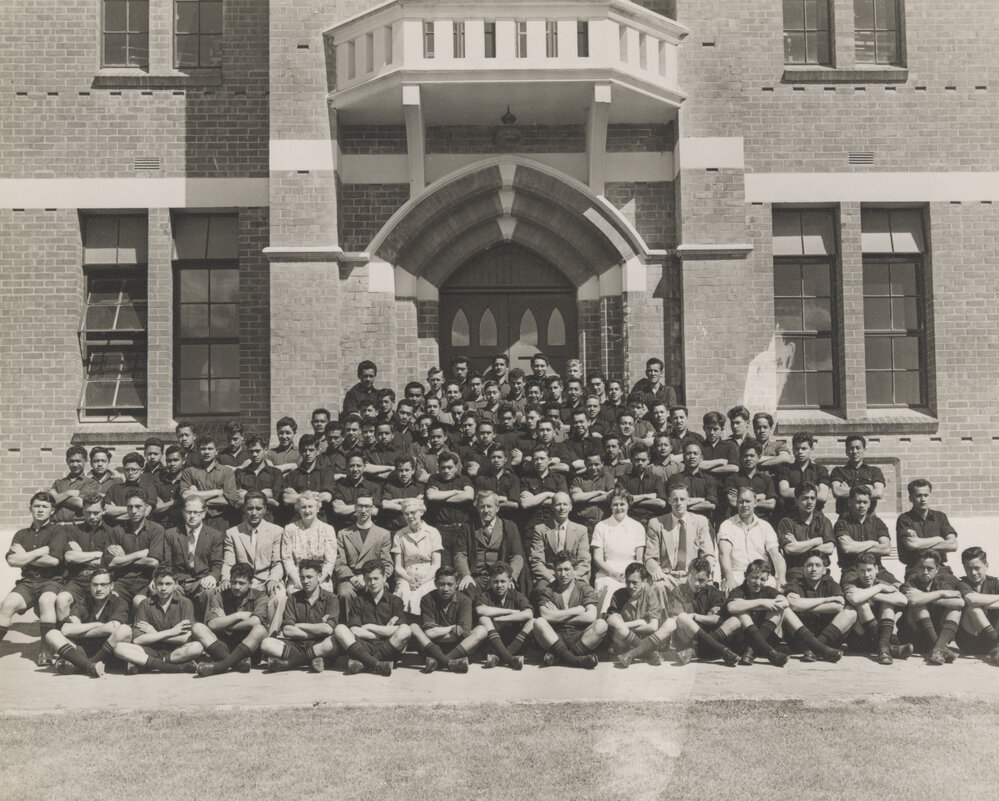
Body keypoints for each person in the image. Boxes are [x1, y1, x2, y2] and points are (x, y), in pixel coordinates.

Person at [1, 492, 66, 665]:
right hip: (28, 582)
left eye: (44, 507)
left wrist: (25, 556)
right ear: (30, 509)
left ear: (52, 511)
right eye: (36, 506)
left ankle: (45, 650)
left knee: (46, 601)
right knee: (7, 604)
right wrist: (40, 551)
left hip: (52, 580)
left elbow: (53, 561)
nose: (40, 510)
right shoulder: (22, 534)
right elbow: (12, 560)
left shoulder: (58, 530)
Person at [114, 566, 203, 674]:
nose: (163, 588)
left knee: (197, 647)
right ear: (154, 584)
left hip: (175, 651)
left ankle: (150, 664)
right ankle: (175, 668)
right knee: (119, 648)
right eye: (160, 583)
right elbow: (138, 640)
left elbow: (186, 638)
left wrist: (156, 634)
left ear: (176, 585)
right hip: (150, 650)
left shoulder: (185, 603)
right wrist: (171, 632)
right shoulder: (145, 604)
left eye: (168, 584)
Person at [46, 568, 131, 677]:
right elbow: (65, 629)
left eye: (103, 585)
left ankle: (83, 664)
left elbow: (113, 628)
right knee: (51, 634)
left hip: (109, 651)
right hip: (85, 649)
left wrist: (79, 629)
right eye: (95, 585)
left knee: (125, 630)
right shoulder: (83, 603)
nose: (99, 589)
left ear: (111, 586)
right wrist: (97, 625)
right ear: (90, 586)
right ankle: (90, 667)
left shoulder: (119, 603)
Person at [260, 559, 340, 673]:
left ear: (319, 576)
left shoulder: (331, 598)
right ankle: (314, 660)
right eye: (302, 577)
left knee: (333, 643)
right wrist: (317, 629)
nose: (305, 581)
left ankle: (289, 663)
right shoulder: (293, 598)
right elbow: (287, 630)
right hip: (297, 645)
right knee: (266, 644)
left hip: (320, 644)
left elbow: (328, 629)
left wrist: (299, 625)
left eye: (309, 577)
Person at [222, 491, 286, 634]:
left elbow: (278, 562)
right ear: (244, 509)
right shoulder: (232, 533)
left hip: (266, 579)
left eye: (258, 509)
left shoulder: (277, 531)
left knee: (280, 596)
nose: (254, 513)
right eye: (250, 508)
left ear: (265, 509)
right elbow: (228, 562)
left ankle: (272, 636)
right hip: (244, 580)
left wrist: (273, 579)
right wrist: (226, 578)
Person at [531, 550, 607, 669]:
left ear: (575, 569)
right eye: (559, 570)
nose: (563, 574)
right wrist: (575, 610)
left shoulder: (585, 588)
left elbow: (591, 616)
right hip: (555, 636)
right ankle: (575, 660)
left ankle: (561, 657)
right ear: (554, 571)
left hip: (579, 636)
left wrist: (557, 616)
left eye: (567, 569)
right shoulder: (548, 590)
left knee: (601, 624)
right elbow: (545, 616)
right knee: (538, 623)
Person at [334, 560, 410, 676]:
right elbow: (354, 630)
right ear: (364, 580)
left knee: (406, 629)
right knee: (339, 628)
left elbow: (399, 629)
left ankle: (364, 663)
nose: (372, 583)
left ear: (384, 578)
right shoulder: (358, 601)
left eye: (376, 578)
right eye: (368, 579)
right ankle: (377, 665)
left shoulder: (395, 601)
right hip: (363, 646)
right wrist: (383, 632)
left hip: (387, 646)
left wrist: (369, 627)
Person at [192, 563, 269, 676]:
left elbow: (255, 621)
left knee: (260, 630)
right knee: (197, 627)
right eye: (234, 582)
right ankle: (237, 663)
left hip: (248, 649)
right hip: (223, 648)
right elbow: (212, 624)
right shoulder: (220, 596)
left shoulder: (261, 596)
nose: (236, 586)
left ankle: (219, 667)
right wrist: (237, 616)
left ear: (250, 584)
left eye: (242, 583)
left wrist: (226, 622)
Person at [665, 556, 741, 666]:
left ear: (708, 578)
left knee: (735, 621)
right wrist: (703, 619)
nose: (697, 584)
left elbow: (718, 619)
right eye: (693, 579)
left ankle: (694, 652)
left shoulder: (714, 593)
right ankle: (720, 650)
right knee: (682, 617)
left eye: (701, 580)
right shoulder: (678, 591)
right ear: (688, 575)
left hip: (710, 639)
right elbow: (678, 619)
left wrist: (696, 616)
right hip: (688, 640)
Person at [410, 567, 487, 673]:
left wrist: (439, 631)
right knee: (413, 627)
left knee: (481, 630)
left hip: (457, 647)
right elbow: (429, 632)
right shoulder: (427, 599)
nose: (446, 589)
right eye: (442, 584)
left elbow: (464, 632)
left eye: (450, 584)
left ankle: (440, 661)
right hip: (433, 646)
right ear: (435, 583)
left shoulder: (465, 600)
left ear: (457, 584)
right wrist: (452, 628)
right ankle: (450, 663)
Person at [782, 550, 851, 662]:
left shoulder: (831, 584)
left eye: (818, 565)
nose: (813, 569)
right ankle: (818, 648)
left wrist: (804, 605)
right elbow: (793, 605)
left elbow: (838, 606)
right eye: (809, 565)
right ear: (803, 569)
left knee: (850, 612)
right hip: (800, 641)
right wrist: (827, 600)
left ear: (824, 570)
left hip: (828, 639)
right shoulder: (795, 583)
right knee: (785, 609)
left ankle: (814, 648)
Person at [842, 552, 911, 665]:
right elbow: (855, 599)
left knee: (888, 604)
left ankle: (883, 648)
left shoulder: (882, 583)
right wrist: (880, 588)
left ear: (876, 569)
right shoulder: (852, 583)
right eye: (862, 571)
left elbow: (903, 600)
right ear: (857, 571)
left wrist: (876, 594)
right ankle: (888, 648)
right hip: (858, 639)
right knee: (862, 604)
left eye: (869, 570)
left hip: (877, 636)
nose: (866, 574)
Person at [163, 495, 225, 619]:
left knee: (209, 592)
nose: (192, 516)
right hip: (178, 581)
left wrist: (213, 576)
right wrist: (173, 582)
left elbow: (217, 563)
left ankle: (209, 627)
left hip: (201, 581)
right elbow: (167, 563)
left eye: (196, 512)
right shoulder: (171, 534)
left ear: (203, 513)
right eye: (188, 512)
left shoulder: (215, 535)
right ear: (183, 512)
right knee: (168, 591)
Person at [645, 484, 716, 593]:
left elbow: (707, 554)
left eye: (682, 499)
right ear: (669, 500)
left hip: (692, 577)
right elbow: (650, 558)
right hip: (667, 577)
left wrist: (702, 574)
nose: (678, 503)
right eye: (675, 499)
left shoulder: (700, 522)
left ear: (688, 500)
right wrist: (658, 572)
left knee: (709, 590)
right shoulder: (656, 523)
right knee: (658, 587)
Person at [900, 549, 965, 665]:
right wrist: (941, 594)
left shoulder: (942, 585)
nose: (925, 572)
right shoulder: (909, 584)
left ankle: (937, 649)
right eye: (921, 567)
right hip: (914, 637)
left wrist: (926, 596)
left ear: (937, 570)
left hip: (939, 634)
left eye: (930, 569)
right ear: (915, 568)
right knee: (919, 606)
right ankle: (940, 649)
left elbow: (960, 603)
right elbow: (913, 601)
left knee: (955, 610)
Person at [455, 491, 525, 596]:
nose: (486, 510)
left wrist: (510, 577)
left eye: (489, 506)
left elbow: (517, 556)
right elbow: (460, 554)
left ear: (497, 508)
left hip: (499, 578)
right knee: (465, 591)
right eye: (482, 506)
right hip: (475, 577)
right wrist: (466, 575)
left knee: (508, 594)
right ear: (477, 508)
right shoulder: (467, 527)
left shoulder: (509, 526)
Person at [55, 492, 113, 620]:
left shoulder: (112, 532)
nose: (92, 516)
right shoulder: (73, 530)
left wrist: (81, 556)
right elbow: (70, 557)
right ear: (82, 511)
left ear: (104, 511)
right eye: (87, 512)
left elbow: (110, 562)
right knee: (61, 599)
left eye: (96, 513)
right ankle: (64, 637)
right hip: (78, 580)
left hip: (102, 581)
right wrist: (98, 555)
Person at [105, 488, 165, 610]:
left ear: (147, 508)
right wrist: (138, 555)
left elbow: (153, 562)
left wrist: (123, 558)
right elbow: (110, 562)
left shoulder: (156, 530)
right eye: (130, 507)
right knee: (113, 601)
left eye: (138, 506)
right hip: (122, 581)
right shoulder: (117, 530)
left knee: (140, 603)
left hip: (145, 580)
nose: (133, 511)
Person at [718, 486, 786, 592]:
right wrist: (729, 577)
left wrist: (781, 578)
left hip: (762, 575)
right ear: (736, 503)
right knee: (729, 591)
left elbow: (776, 555)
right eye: (740, 501)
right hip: (737, 574)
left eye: (747, 501)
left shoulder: (765, 526)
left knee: (779, 592)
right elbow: (724, 554)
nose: (744, 505)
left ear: (755, 503)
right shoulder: (727, 525)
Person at [722, 559, 790, 667]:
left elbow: (785, 603)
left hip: (763, 636)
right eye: (754, 578)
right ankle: (769, 652)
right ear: (746, 575)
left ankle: (751, 650)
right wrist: (762, 603)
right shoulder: (738, 591)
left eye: (763, 579)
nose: (758, 583)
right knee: (742, 613)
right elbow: (731, 607)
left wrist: (758, 605)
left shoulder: (768, 590)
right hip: (741, 640)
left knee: (779, 610)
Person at [591, 489, 646, 612]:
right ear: (610, 506)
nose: (619, 507)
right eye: (615, 504)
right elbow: (597, 558)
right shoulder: (601, 526)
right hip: (607, 571)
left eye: (622, 504)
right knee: (611, 587)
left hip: (632, 571)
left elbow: (639, 559)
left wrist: (632, 575)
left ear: (628, 505)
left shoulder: (638, 527)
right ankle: (606, 623)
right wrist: (613, 574)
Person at [895, 479, 958, 579]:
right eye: (919, 496)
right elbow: (912, 544)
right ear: (911, 498)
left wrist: (919, 545)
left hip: (939, 568)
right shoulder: (904, 519)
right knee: (914, 593)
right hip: (915, 569)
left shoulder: (940, 517)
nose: (923, 499)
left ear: (930, 496)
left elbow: (953, 545)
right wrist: (939, 539)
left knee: (954, 591)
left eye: (926, 495)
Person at [475, 562, 534, 670]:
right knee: (483, 619)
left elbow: (529, 613)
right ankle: (510, 659)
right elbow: (480, 610)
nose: (499, 585)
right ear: (490, 581)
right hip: (493, 643)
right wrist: (511, 612)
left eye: (503, 581)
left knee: (533, 622)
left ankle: (500, 658)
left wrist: (500, 618)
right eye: (495, 582)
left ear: (510, 581)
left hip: (515, 642)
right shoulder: (485, 595)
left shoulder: (516, 595)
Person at [834, 485, 894, 590]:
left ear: (869, 503)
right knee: (856, 596)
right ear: (849, 502)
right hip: (852, 570)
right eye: (858, 502)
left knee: (899, 589)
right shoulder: (842, 523)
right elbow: (847, 548)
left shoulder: (877, 523)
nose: (862, 505)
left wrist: (856, 546)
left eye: (865, 502)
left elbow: (886, 549)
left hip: (877, 569)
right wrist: (872, 543)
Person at [605, 562, 664, 668]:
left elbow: (653, 626)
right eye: (628, 582)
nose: (630, 586)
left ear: (644, 582)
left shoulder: (650, 594)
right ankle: (649, 652)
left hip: (645, 638)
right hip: (624, 643)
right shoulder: (618, 595)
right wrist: (640, 622)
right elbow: (612, 623)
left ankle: (634, 653)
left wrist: (624, 626)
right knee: (613, 620)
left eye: (635, 582)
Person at [334, 494, 393, 600]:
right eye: (360, 506)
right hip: (350, 578)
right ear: (355, 507)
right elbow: (339, 563)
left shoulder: (383, 534)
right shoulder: (343, 534)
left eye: (367, 506)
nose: (363, 510)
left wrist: (367, 578)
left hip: (373, 577)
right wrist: (352, 578)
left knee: (380, 588)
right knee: (345, 593)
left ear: (373, 508)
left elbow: (387, 564)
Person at [392, 498, 443, 614]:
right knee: (403, 593)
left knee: (420, 595)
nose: (410, 517)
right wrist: (410, 580)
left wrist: (424, 580)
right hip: (406, 577)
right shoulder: (399, 535)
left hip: (428, 576)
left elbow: (436, 564)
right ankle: (402, 624)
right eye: (406, 514)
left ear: (421, 512)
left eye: (413, 513)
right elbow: (398, 567)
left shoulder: (433, 532)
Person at [777, 481, 835, 584]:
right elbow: (790, 549)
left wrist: (799, 545)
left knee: (836, 596)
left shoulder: (823, 521)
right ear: (796, 500)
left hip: (820, 572)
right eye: (805, 498)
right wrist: (817, 541)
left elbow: (830, 548)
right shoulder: (787, 522)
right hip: (797, 573)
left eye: (812, 498)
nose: (809, 502)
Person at [531, 492, 590, 591]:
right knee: (541, 591)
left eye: (565, 504)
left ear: (570, 507)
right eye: (558, 504)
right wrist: (551, 578)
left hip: (573, 574)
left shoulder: (581, 530)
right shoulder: (540, 529)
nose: (562, 508)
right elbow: (536, 561)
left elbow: (584, 561)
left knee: (585, 592)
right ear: (552, 507)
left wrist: (571, 576)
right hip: (550, 574)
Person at [424, 451, 474, 567]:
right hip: (441, 530)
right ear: (438, 468)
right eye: (443, 468)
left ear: (456, 468)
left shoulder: (463, 479)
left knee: (462, 564)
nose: (446, 471)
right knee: (445, 566)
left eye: (449, 467)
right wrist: (456, 492)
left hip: (462, 529)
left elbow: (469, 495)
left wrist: (441, 497)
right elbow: (431, 496)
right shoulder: (434, 479)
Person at [179, 435, 240, 530]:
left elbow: (229, 500)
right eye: (203, 449)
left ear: (216, 451)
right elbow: (185, 496)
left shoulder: (227, 472)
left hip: (220, 521)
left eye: (210, 448)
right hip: (195, 520)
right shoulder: (190, 472)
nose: (206, 452)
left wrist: (195, 496)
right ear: (198, 451)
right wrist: (216, 492)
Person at [281, 491, 337, 591]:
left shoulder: (328, 529)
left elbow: (330, 561)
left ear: (318, 508)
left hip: (320, 578)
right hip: (297, 578)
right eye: (303, 507)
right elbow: (287, 559)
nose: (307, 511)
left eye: (310, 506)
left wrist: (318, 580)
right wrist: (297, 579)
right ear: (299, 509)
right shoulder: (290, 529)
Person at [955, 546, 999, 664]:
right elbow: (972, 600)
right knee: (973, 608)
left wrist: (983, 601)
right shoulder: (962, 583)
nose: (973, 573)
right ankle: (996, 647)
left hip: (991, 637)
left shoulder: (995, 583)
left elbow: (975, 599)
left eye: (977, 568)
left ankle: (996, 649)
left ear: (987, 566)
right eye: (968, 569)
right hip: (969, 641)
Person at [281, 434, 335, 524]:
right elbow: (287, 498)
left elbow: (327, 497)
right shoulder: (292, 475)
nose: (308, 454)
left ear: (317, 451)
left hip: (320, 518)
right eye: (304, 450)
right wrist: (314, 494)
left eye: (311, 450)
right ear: (300, 451)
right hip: (297, 518)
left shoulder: (326, 472)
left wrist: (298, 496)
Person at [775, 432, 830, 519]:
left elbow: (823, 496)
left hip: (815, 517)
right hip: (791, 516)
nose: (800, 452)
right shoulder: (785, 469)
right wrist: (813, 490)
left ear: (811, 449)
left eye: (804, 448)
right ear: (792, 449)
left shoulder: (821, 470)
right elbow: (784, 492)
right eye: (797, 448)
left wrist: (794, 491)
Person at [722, 440, 777, 522]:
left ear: (758, 458)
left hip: (761, 522)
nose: (748, 459)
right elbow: (733, 502)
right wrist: (760, 497)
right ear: (740, 458)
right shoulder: (732, 478)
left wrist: (742, 500)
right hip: (738, 523)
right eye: (745, 456)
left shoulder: (766, 479)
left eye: (752, 456)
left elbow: (771, 504)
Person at [830, 434, 885, 516]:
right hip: (846, 518)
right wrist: (867, 488)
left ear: (864, 450)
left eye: (858, 448)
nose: (855, 451)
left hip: (869, 518)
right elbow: (837, 492)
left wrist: (848, 490)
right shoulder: (838, 471)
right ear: (846, 451)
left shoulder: (874, 471)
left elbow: (878, 493)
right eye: (851, 448)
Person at [614, 444, 666, 526]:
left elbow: (661, 503)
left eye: (643, 460)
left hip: (651, 522)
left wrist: (631, 500)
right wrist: (647, 496)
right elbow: (620, 501)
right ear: (631, 460)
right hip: (629, 522)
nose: (640, 463)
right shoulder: (623, 479)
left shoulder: (656, 479)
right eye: (637, 460)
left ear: (648, 460)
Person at [234, 435, 284, 519]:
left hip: (269, 519)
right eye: (251, 451)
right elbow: (237, 504)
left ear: (265, 450)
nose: (254, 454)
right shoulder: (240, 473)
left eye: (257, 451)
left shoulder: (276, 473)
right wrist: (264, 495)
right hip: (246, 518)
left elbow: (276, 503)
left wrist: (246, 495)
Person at [103, 452, 161, 523]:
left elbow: (145, 513)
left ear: (141, 471)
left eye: (134, 470)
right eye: (127, 470)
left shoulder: (149, 488)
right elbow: (105, 509)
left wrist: (115, 514)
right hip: (118, 530)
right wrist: (136, 509)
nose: (130, 473)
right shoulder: (114, 489)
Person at [569, 449, 614, 536]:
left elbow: (609, 496)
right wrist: (599, 493)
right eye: (590, 465)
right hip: (582, 523)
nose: (593, 468)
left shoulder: (608, 478)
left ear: (602, 463)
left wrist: (584, 497)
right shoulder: (578, 479)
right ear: (585, 464)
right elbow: (575, 498)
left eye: (596, 464)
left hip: (603, 523)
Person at [50, 445, 98, 526]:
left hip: (78, 527)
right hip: (56, 527)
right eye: (72, 461)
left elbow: (81, 503)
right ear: (67, 461)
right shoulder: (58, 483)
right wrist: (67, 494)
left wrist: (58, 497)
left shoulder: (91, 483)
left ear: (85, 461)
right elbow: (50, 502)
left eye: (78, 461)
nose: (75, 464)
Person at [379, 456, 423, 533]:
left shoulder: (420, 488)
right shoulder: (389, 486)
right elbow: (385, 504)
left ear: (413, 471)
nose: (404, 474)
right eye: (400, 470)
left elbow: (420, 507)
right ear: (396, 471)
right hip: (393, 531)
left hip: (414, 531)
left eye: (407, 470)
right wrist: (409, 506)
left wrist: (394, 503)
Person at [676, 442, 719, 516]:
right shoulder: (676, 478)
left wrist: (683, 505)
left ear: (701, 458)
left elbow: (711, 505)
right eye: (688, 453)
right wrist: (702, 500)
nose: (692, 456)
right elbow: (674, 503)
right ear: (683, 457)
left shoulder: (710, 479)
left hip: (704, 521)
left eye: (695, 453)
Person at [698, 411, 739, 478]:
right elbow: (696, 464)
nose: (712, 432)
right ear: (704, 428)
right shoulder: (699, 446)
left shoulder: (730, 446)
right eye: (708, 428)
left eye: (715, 429)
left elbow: (734, 467)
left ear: (721, 429)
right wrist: (720, 461)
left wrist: (706, 469)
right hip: (704, 485)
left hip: (723, 486)